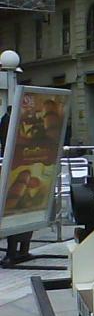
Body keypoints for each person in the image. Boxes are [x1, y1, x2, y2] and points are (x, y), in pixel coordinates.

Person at [0, 105, 34, 266]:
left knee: (18, 209)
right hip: (22, 168)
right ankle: (19, 250)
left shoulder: (16, 124)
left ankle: (17, 251)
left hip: (20, 169)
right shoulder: (16, 123)